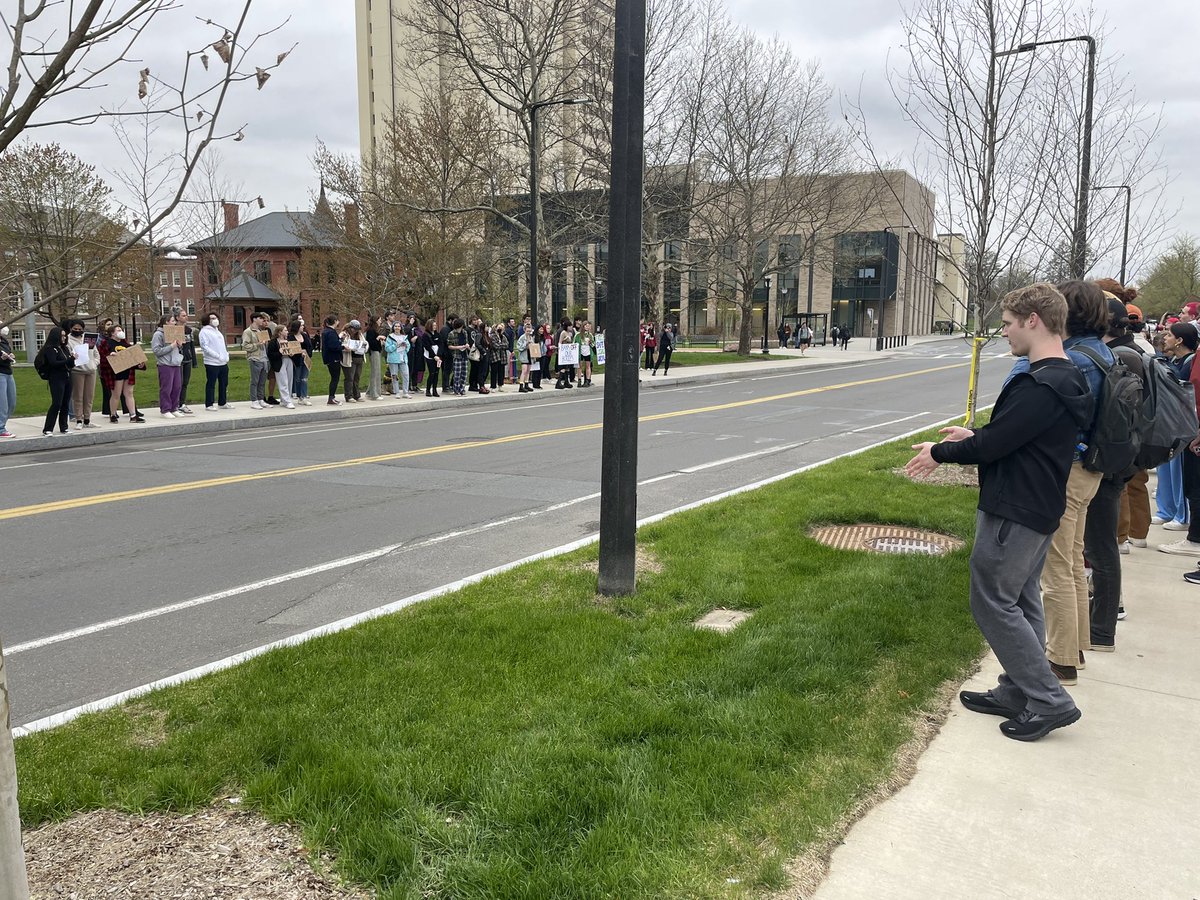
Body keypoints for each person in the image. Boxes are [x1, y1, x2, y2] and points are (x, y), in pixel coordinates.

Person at [906, 282, 1091, 741]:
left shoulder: (1041, 382)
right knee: (1022, 599)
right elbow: (1016, 436)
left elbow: (1000, 443)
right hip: (1036, 505)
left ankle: (1048, 700)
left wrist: (942, 453)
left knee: (991, 601)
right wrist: (970, 437)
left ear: (1033, 320)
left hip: (1016, 509)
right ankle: (1016, 689)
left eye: (1007, 324)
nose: (1002, 332)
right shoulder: (1062, 377)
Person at [1030, 279, 1112, 686]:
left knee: (1056, 568)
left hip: (1070, 468)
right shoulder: (1102, 354)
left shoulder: (1073, 359)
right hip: (1092, 470)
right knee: (1074, 560)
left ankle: (1060, 660)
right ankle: (1075, 648)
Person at [1084, 294, 1146, 653]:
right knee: (1101, 544)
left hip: (1109, 464)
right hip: (1120, 461)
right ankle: (1102, 621)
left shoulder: (1120, 357)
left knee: (1101, 545)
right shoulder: (1130, 352)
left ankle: (1103, 626)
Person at [1159, 322, 1200, 559]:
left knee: (1194, 484)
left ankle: (1194, 537)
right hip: (1188, 426)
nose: (1165, 338)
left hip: (1192, 427)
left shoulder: (1193, 359)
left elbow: (1193, 391)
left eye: (1169, 334)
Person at [1151, 322, 1193, 531]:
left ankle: (1181, 514)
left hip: (1180, 423)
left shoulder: (1190, 362)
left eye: (1169, 335)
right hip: (1166, 421)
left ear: (1180, 340)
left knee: (1179, 471)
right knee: (1164, 467)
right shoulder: (1172, 360)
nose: (1164, 338)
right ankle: (1165, 510)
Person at [101, 323, 144, 424]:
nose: (121, 332)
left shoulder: (125, 343)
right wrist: (110, 355)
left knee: (129, 393)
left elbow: (133, 355)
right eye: (118, 330)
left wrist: (140, 362)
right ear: (112, 333)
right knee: (116, 394)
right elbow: (102, 356)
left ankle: (133, 415)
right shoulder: (107, 343)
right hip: (115, 372)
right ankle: (113, 414)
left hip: (128, 371)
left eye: (121, 330)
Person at [36, 326, 74, 435]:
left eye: (64, 336)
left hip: (67, 377)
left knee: (65, 403)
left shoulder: (64, 348)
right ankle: (48, 428)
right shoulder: (50, 349)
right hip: (56, 378)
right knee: (57, 403)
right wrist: (68, 360)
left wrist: (72, 360)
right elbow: (53, 363)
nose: (63, 338)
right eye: (61, 336)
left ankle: (64, 427)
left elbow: (70, 364)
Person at [67, 319, 99, 429]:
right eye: (75, 329)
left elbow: (96, 354)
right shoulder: (68, 340)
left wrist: (94, 364)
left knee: (89, 397)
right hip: (77, 371)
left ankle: (87, 419)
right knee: (78, 397)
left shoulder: (88, 339)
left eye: (79, 329)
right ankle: (78, 419)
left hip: (91, 371)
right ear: (70, 329)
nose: (77, 330)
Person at [150, 314, 184, 418]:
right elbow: (156, 351)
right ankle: (165, 409)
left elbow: (177, 349)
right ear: (166, 322)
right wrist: (171, 346)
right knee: (166, 388)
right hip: (165, 364)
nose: (174, 323)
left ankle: (174, 407)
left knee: (177, 387)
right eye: (172, 321)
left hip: (175, 363)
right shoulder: (158, 334)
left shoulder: (175, 332)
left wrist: (179, 345)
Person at [199, 313, 233, 410]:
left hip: (223, 362)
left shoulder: (218, 331)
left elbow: (221, 345)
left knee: (224, 383)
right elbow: (205, 347)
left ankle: (222, 402)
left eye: (216, 318)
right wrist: (217, 356)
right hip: (211, 362)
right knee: (211, 383)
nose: (215, 320)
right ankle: (209, 404)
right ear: (207, 320)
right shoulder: (204, 332)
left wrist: (226, 355)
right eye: (212, 318)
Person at [242, 311, 269, 409]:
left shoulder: (261, 331)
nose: (262, 320)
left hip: (264, 358)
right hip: (255, 358)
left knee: (262, 381)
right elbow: (245, 346)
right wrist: (258, 344)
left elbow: (265, 344)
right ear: (254, 319)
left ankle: (261, 399)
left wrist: (265, 343)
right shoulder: (248, 331)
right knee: (255, 381)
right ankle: (254, 400)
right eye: (260, 318)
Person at [266, 322, 296, 409]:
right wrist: (280, 352)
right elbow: (270, 354)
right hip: (279, 362)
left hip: (289, 361)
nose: (287, 332)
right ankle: (287, 401)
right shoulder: (273, 342)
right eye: (285, 330)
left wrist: (292, 353)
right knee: (283, 381)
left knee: (290, 380)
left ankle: (285, 399)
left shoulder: (289, 340)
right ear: (279, 332)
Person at [174, 308, 196, 415]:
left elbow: (191, 345)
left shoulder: (188, 330)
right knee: (178, 383)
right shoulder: (172, 329)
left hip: (187, 359)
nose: (186, 317)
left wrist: (194, 360)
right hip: (177, 360)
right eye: (183, 315)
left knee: (185, 383)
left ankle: (182, 403)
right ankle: (175, 404)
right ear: (177, 317)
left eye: (186, 315)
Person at [341, 319, 368, 402]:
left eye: (357, 329)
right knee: (350, 378)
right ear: (350, 327)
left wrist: (364, 347)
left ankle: (357, 395)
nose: (355, 331)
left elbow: (365, 343)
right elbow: (341, 344)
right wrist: (346, 348)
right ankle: (349, 396)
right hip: (349, 359)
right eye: (354, 329)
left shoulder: (359, 335)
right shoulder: (344, 334)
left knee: (357, 378)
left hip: (359, 358)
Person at [384, 322, 412, 399]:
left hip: (403, 359)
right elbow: (387, 348)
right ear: (393, 328)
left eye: (398, 326)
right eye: (395, 326)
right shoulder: (390, 337)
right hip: (393, 359)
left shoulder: (404, 337)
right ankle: (397, 392)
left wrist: (406, 346)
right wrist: (396, 345)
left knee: (406, 375)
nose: (397, 328)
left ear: (401, 328)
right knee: (394, 376)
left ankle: (405, 392)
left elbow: (408, 347)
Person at [320, 315, 344, 405]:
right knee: (335, 378)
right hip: (333, 358)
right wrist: (343, 346)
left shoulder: (327, 331)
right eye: (337, 321)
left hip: (329, 358)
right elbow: (333, 346)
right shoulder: (331, 332)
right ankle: (331, 397)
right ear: (335, 321)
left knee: (334, 378)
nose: (338, 322)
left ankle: (332, 397)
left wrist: (340, 339)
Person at [290, 317, 313, 405]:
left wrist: (307, 353)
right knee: (297, 378)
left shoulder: (304, 335)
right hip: (296, 360)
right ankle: (298, 395)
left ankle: (303, 396)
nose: (303, 327)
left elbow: (310, 347)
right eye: (301, 326)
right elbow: (291, 349)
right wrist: (299, 353)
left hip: (305, 359)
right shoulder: (291, 337)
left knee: (304, 378)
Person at [0, 324, 16, 437]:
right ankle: (1, 428)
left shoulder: (4, 341)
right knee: (2, 403)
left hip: (8, 372)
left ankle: (2, 424)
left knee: (11, 402)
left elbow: (8, 352)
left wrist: (10, 355)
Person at [420, 318, 443, 397]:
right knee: (432, 373)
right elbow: (427, 347)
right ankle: (428, 390)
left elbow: (441, 344)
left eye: (435, 325)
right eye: (433, 325)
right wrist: (434, 356)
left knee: (436, 373)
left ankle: (434, 390)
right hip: (430, 356)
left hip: (438, 356)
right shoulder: (425, 335)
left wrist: (439, 355)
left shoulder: (437, 334)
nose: (435, 327)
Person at [447, 316, 469, 396]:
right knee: (457, 374)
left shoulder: (464, 333)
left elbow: (466, 342)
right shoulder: (452, 333)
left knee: (464, 373)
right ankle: (456, 389)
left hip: (464, 354)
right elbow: (449, 345)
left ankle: (462, 389)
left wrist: (466, 346)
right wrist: (459, 347)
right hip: (457, 355)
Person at [365, 314, 385, 400]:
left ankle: (370, 392)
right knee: (375, 373)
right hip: (374, 353)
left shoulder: (374, 330)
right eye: (380, 320)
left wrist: (380, 342)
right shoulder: (371, 331)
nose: (380, 321)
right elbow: (371, 343)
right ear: (376, 321)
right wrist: (378, 338)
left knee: (376, 372)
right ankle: (374, 394)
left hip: (377, 352)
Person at [516, 322, 535, 392]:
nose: (528, 332)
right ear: (524, 330)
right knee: (524, 370)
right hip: (524, 355)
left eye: (530, 331)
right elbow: (519, 347)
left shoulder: (531, 337)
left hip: (530, 355)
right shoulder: (522, 337)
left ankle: (526, 384)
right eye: (527, 331)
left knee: (528, 371)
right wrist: (526, 344)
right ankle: (521, 385)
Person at [489, 323, 508, 391]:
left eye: (501, 328)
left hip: (502, 356)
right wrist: (501, 345)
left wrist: (500, 345)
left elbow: (507, 345)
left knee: (501, 371)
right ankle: (493, 386)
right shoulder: (492, 336)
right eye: (499, 328)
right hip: (495, 356)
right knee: (494, 372)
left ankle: (500, 385)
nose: (500, 329)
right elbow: (495, 346)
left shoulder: (503, 336)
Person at [577, 321, 595, 387]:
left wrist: (590, 343)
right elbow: (574, 343)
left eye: (588, 326)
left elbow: (593, 345)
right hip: (580, 352)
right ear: (583, 326)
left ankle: (587, 380)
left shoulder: (590, 335)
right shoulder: (578, 334)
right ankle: (579, 380)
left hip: (588, 352)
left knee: (588, 366)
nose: (587, 327)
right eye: (586, 326)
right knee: (580, 366)